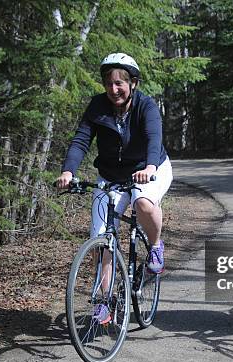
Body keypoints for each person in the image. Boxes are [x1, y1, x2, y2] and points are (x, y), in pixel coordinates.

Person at [56, 53, 173, 323]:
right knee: (101, 239)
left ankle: (155, 245)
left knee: (143, 204)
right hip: (110, 175)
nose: (114, 89)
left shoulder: (146, 106)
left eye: (120, 83)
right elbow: (81, 140)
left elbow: (154, 138)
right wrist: (68, 171)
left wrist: (151, 167)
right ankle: (104, 300)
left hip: (149, 168)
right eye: (109, 84)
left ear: (133, 83)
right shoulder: (97, 106)